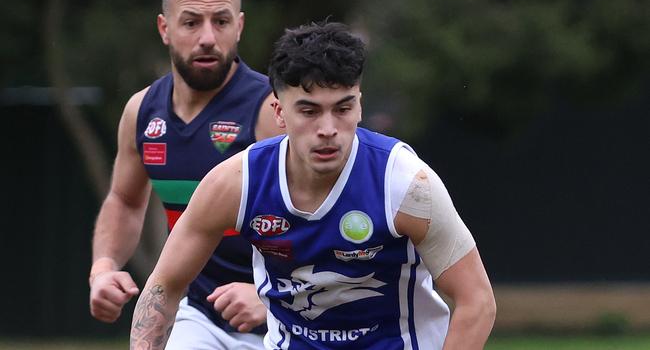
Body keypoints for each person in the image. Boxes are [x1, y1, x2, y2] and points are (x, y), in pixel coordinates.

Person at [130, 21, 496, 350]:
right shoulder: (237, 182)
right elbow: (163, 287)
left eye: (342, 108)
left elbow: (476, 301)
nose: (327, 129)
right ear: (279, 112)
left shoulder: (405, 184)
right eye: (309, 110)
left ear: (360, 106)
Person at [89, 0, 284, 348]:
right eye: (191, 22)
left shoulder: (270, 110)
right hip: (198, 316)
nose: (207, 38)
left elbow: (321, 219)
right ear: (165, 29)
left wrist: (270, 295)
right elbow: (125, 200)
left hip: (282, 319)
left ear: (239, 26)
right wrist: (103, 268)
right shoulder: (142, 111)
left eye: (221, 21)